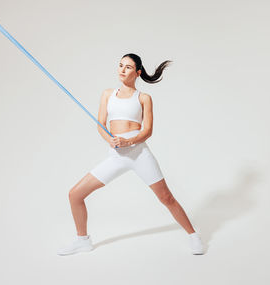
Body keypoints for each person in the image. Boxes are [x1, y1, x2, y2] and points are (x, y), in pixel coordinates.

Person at [57, 53, 204, 256]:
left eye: (127, 67)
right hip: (116, 156)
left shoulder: (143, 98)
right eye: (120, 65)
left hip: (139, 153)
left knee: (166, 197)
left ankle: (193, 235)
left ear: (138, 72)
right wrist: (110, 140)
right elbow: (101, 124)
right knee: (75, 194)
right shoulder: (108, 94)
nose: (122, 70)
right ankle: (83, 240)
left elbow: (148, 130)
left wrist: (129, 140)